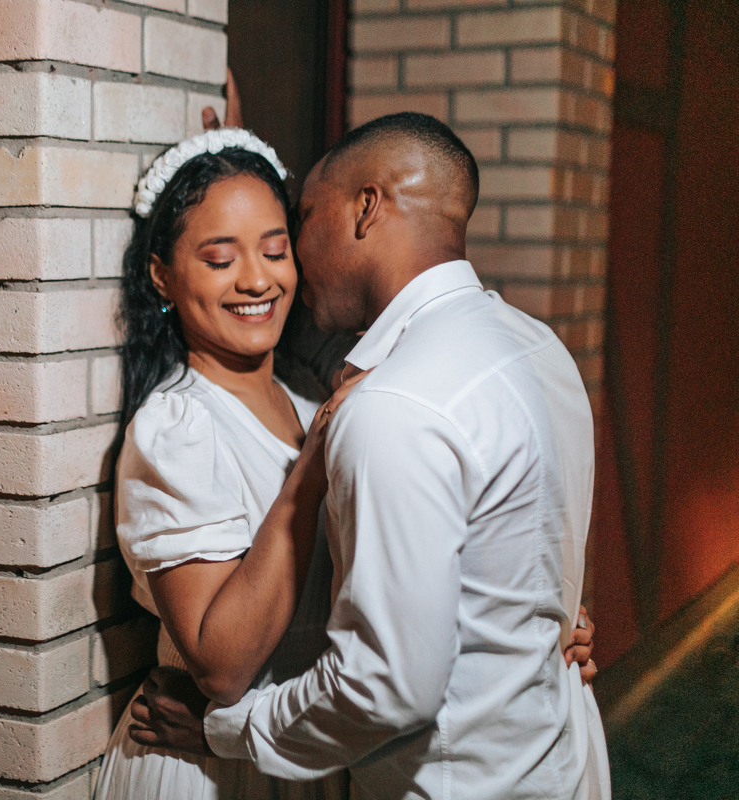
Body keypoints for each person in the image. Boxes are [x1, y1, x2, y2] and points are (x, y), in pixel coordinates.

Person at [97, 122, 599, 800]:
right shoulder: (534, 346)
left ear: (365, 209)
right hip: (219, 763)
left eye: (281, 243)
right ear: (162, 274)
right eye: (219, 259)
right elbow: (223, 668)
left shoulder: (336, 396)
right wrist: (313, 464)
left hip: (314, 745)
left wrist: (540, 623)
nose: (261, 276)